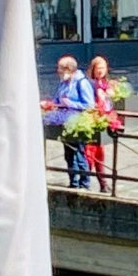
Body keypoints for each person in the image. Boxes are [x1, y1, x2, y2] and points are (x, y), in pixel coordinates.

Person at [46, 55, 97, 189]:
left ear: (69, 69)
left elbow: (89, 105)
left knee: (79, 153)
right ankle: (73, 182)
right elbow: (57, 100)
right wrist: (51, 104)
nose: (58, 71)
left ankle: (84, 184)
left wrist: (71, 104)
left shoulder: (82, 82)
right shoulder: (64, 82)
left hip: (78, 122)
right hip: (65, 121)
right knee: (68, 154)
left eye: (60, 68)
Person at [86, 56, 121, 192]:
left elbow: (112, 102)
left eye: (103, 68)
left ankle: (103, 182)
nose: (100, 71)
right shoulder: (89, 84)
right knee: (89, 152)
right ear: (93, 69)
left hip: (103, 121)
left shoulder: (107, 83)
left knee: (99, 152)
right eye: (98, 68)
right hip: (92, 120)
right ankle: (86, 181)